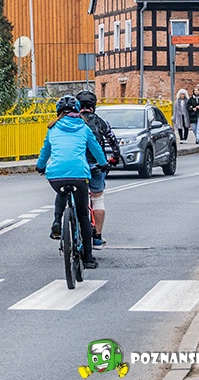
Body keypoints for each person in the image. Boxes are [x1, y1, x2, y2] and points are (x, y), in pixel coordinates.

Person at [36, 95, 107, 270]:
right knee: (83, 215)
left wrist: (40, 166)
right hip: (79, 174)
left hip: (56, 175)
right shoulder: (84, 128)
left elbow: (45, 151)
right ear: (77, 111)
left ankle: (57, 222)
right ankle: (88, 258)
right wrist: (103, 163)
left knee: (61, 191)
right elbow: (96, 149)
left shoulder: (52, 128)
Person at [76, 90, 120, 248]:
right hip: (95, 165)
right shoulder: (101, 122)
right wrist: (114, 158)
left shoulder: (73, 122)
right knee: (97, 199)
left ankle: (73, 227)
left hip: (76, 166)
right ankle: (97, 237)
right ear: (93, 106)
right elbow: (113, 141)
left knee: (75, 197)